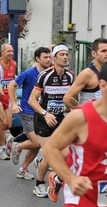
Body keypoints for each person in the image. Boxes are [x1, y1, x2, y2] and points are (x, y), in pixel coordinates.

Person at [40, 58, 107, 207]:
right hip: (85, 199)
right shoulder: (82, 117)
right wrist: (71, 179)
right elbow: (50, 148)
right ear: (103, 85)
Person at [43, 38, 107, 202]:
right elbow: (68, 98)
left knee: (103, 162)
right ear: (94, 54)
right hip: (87, 124)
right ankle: (60, 179)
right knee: (86, 160)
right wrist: (88, 114)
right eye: (103, 51)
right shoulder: (88, 74)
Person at [27, 44, 74, 198]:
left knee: (68, 153)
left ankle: (57, 177)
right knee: (49, 154)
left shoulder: (70, 76)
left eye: (66, 54)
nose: (65, 57)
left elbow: (71, 99)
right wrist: (45, 114)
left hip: (60, 119)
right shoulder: (45, 76)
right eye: (61, 54)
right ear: (54, 58)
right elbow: (31, 100)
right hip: (43, 119)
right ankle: (39, 185)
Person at [8, 47, 52, 180]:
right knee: (37, 143)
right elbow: (11, 85)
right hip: (27, 111)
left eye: (50, 57)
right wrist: (14, 104)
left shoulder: (50, 74)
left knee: (35, 145)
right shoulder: (29, 73)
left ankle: (23, 169)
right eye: (45, 57)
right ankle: (16, 145)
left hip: (42, 113)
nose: (48, 60)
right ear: (37, 59)